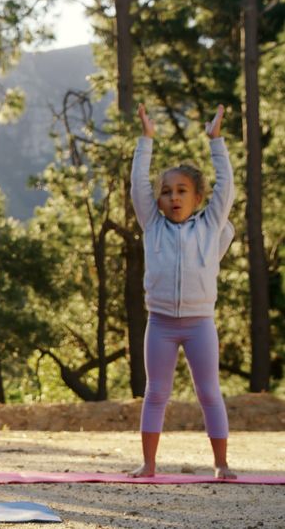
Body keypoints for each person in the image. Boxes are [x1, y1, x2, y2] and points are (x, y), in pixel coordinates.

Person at [128, 103, 236, 480]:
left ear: (198, 198)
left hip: (199, 323)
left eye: (182, 191)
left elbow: (227, 187)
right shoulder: (152, 225)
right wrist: (147, 139)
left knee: (209, 392)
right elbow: (138, 184)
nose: (173, 197)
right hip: (160, 323)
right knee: (156, 393)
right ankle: (149, 464)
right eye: (166, 192)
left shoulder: (210, 225)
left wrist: (216, 141)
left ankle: (221, 465)